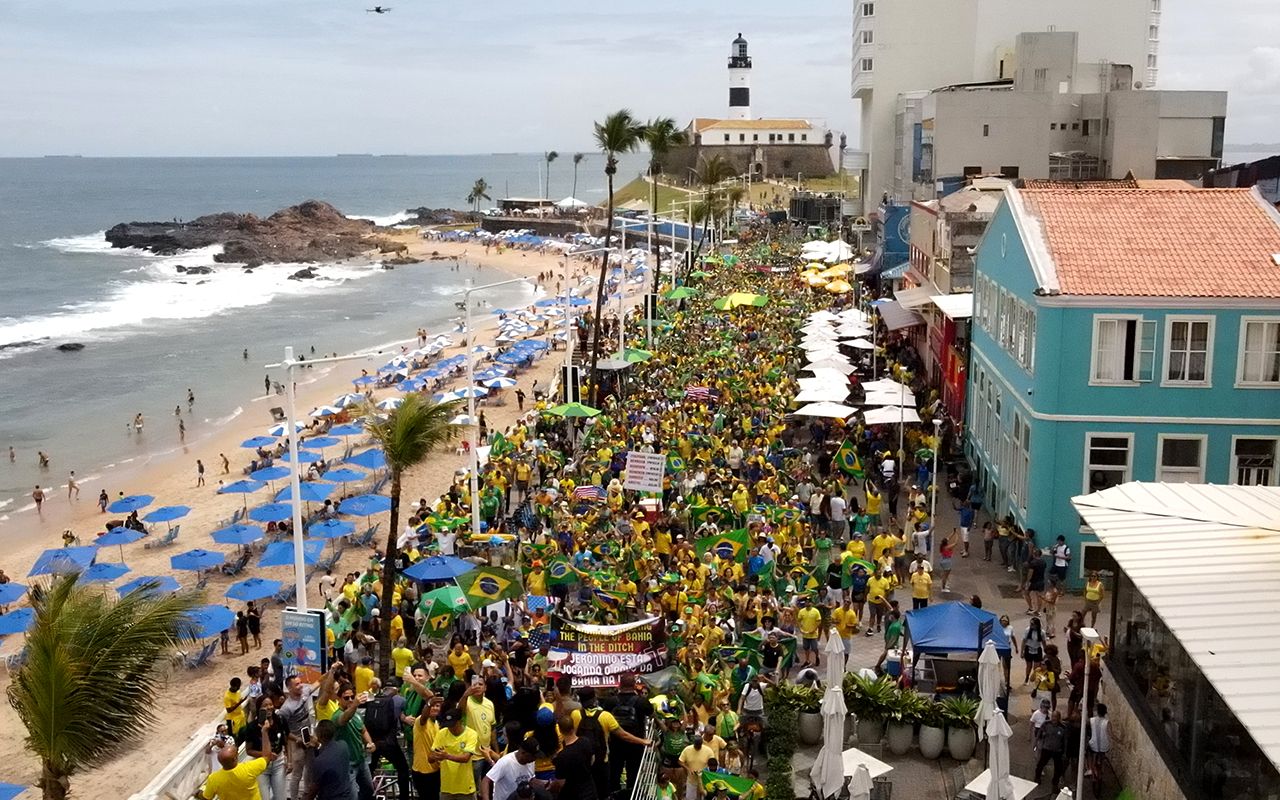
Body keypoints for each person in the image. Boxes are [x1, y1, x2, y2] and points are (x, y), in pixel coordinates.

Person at [200, 715, 270, 799]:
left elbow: (206, 797)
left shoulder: (213, 779)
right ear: (235, 758)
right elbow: (267, 757)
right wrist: (264, 732)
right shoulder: (249, 768)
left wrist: (199, 793)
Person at [365, 679, 412, 800]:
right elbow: (401, 717)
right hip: (388, 742)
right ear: (397, 689)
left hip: (372, 741)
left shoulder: (372, 698)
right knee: (402, 768)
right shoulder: (399, 700)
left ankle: (367, 796)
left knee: (369, 770)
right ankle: (404, 797)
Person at [332, 684, 376, 800]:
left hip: (361, 760)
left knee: (369, 790)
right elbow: (344, 719)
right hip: (348, 764)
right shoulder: (337, 716)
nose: (350, 700)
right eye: (346, 698)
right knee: (352, 796)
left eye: (352, 697)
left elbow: (363, 730)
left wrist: (370, 742)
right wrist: (355, 705)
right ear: (339, 699)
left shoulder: (356, 715)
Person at [243, 695, 288, 800]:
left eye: (270, 704)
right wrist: (266, 755)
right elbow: (249, 750)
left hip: (278, 763)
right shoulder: (252, 727)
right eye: (265, 705)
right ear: (259, 709)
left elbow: (285, 741)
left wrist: (289, 760)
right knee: (264, 797)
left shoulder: (280, 720)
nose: (269, 707)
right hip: (261, 766)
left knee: (281, 797)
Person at [432, 708, 481, 800]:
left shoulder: (471, 734)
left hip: (465, 788)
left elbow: (466, 758)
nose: (451, 728)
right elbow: (431, 757)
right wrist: (436, 756)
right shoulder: (442, 733)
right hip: (446, 787)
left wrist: (447, 756)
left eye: (453, 725)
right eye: (448, 725)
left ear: (460, 721)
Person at [307, 719, 355, 800]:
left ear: (319, 735)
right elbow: (331, 754)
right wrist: (317, 746)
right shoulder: (344, 745)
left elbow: (314, 789)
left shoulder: (319, 761)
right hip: (347, 795)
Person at [1035, 710, 1068, 789]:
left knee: (1058, 768)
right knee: (1041, 764)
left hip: (1057, 750)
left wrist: (1065, 752)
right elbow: (1039, 734)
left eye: (1056, 717)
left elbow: (1065, 741)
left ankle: (1055, 784)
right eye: (1053, 716)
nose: (1054, 719)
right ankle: (1037, 777)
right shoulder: (1046, 724)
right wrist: (1036, 743)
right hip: (1046, 748)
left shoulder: (1063, 727)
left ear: (1059, 718)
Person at [1086, 703, 1110, 778]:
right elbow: (1112, 735)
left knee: (1088, 752)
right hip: (1104, 746)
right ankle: (1101, 771)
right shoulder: (1107, 722)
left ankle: (1090, 769)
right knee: (1102, 756)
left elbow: (1086, 726)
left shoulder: (1091, 720)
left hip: (1093, 745)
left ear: (1097, 711)